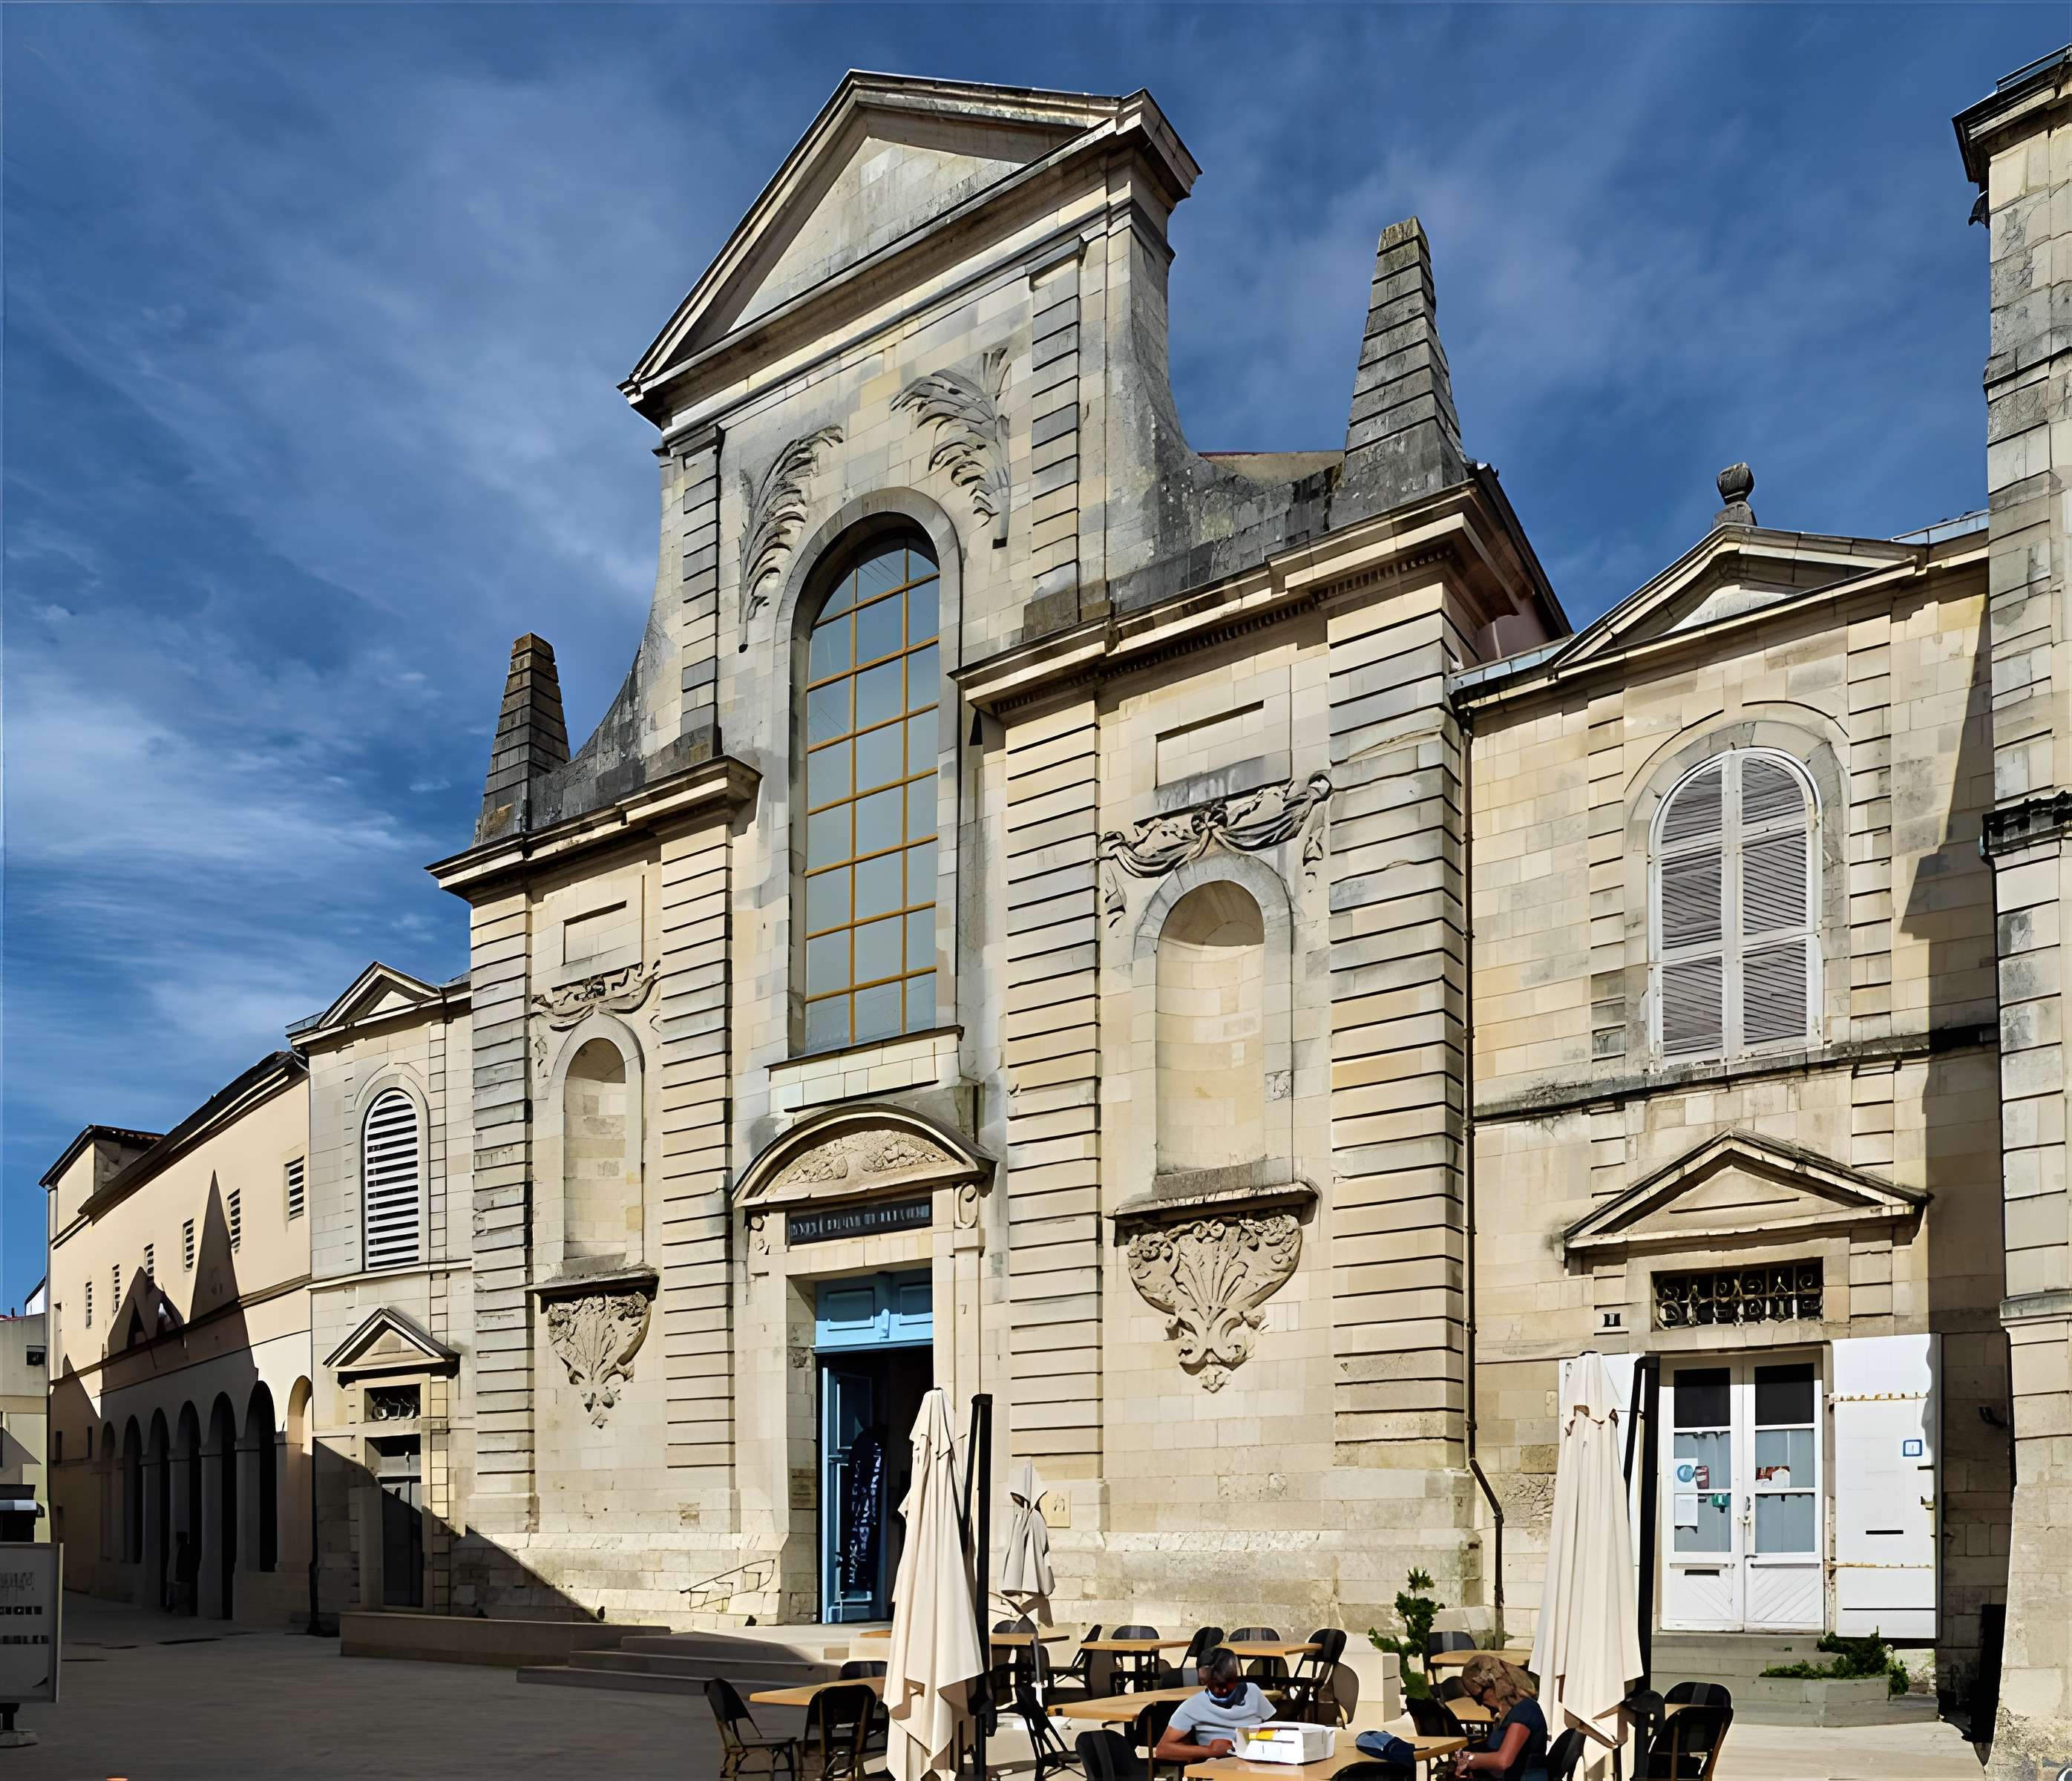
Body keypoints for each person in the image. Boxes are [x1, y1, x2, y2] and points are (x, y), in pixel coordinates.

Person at [1155, 1647, 1273, 1765]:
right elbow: (1163, 1750)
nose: (1219, 1690)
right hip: (1218, 1766)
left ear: (1235, 1676)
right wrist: (1209, 1751)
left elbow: (1275, 1726)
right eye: (1210, 1684)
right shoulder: (1193, 1706)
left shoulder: (1252, 1692)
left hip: (1256, 1761)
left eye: (1224, 1683)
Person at [1450, 1654, 1549, 1781]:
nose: (1480, 1704)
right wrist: (1462, 1756)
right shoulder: (1510, 1713)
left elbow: (1503, 1760)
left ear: (1493, 1688)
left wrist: (1469, 1759)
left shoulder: (1525, 1710)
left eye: (1480, 1698)